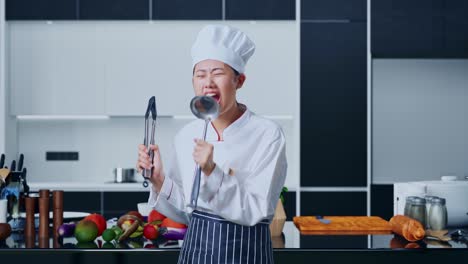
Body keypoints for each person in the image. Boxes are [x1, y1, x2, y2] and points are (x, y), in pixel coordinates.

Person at [137, 24, 287, 264]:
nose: (208, 82)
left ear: (240, 81)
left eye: (217, 73)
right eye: (200, 74)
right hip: (195, 254)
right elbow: (188, 211)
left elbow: (257, 209)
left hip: (246, 255)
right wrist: (159, 180)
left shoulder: (267, 134)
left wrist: (211, 171)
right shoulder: (187, 135)